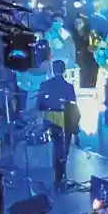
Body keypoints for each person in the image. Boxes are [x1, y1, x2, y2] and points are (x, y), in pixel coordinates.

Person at [36, 58, 77, 187]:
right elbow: (73, 106)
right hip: (66, 119)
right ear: (64, 71)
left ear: (52, 70)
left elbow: (39, 104)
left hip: (51, 119)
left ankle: (58, 175)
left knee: (57, 145)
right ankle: (61, 174)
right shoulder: (69, 87)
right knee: (64, 147)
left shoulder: (44, 85)